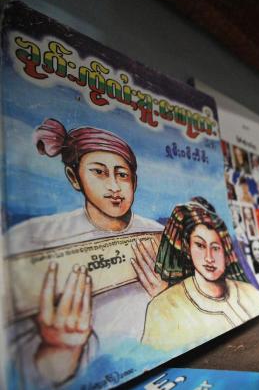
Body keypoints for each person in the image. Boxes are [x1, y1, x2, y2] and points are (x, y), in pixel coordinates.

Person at [8, 118, 166, 386]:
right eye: (99, 172)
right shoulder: (36, 238)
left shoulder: (157, 236)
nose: (115, 187)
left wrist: (169, 299)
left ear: (134, 182)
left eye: (122, 174)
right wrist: (60, 349)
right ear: (74, 177)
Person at [141, 197, 259, 351]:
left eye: (215, 247)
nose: (209, 258)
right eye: (200, 245)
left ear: (226, 250)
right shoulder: (164, 308)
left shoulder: (250, 293)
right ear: (188, 249)